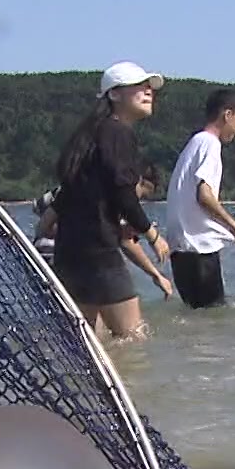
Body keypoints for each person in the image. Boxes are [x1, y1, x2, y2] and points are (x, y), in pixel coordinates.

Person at [47, 61, 172, 339]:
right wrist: (152, 235)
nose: (148, 90)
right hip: (100, 252)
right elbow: (123, 194)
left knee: (86, 343)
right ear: (114, 94)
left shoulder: (88, 136)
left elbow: (65, 198)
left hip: (70, 252)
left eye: (149, 86)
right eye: (139, 86)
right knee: (134, 339)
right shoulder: (117, 132)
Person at [34, 165, 174, 300]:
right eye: (141, 195)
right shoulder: (116, 198)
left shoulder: (83, 185)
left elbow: (40, 211)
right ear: (139, 180)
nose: (136, 201)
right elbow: (126, 243)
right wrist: (156, 275)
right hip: (63, 256)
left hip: (44, 254)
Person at [164, 89, 235, 309]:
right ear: (227, 115)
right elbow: (204, 195)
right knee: (212, 317)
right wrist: (233, 226)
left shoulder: (194, 143)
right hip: (199, 249)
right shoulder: (211, 144)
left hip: (181, 248)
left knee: (195, 318)